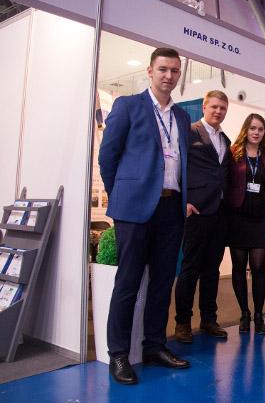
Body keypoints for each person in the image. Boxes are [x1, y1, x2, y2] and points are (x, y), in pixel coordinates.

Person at [98, 47, 190, 385]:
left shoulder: (181, 117)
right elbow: (108, 157)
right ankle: (118, 354)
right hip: (134, 209)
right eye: (163, 69)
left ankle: (154, 346)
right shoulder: (128, 106)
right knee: (128, 282)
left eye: (175, 70)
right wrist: (121, 195)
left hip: (171, 208)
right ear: (150, 71)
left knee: (163, 282)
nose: (169, 75)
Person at [173, 90, 232, 343]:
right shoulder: (189, 132)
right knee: (190, 269)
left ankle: (209, 319)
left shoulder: (225, 139)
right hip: (196, 211)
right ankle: (182, 323)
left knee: (212, 270)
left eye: (223, 108)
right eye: (214, 106)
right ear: (204, 107)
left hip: (219, 213)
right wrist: (183, 200)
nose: (218, 111)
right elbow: (176, 166)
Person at [227, 114, 265, 334]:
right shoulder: (234, 153)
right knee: (239, 267)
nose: (256, 132)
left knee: (258, 266)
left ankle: (259, 315)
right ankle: (244, 313)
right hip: (237, 216)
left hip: (260, 217)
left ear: (264, 132)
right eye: (252, 128)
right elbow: (226, 183)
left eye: (260, 129)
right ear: (245, 130)